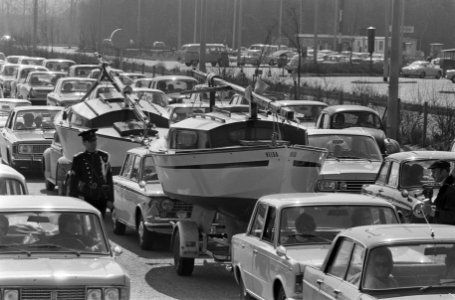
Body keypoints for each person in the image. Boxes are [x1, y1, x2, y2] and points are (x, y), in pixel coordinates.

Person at [68, 129, 113, 217]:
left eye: (94, 140)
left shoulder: (103, 157)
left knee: (99, 222)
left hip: (101, 197)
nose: (93, 143)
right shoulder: (79, 159)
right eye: (90, 141)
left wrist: (110, 199)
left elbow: (109, 179)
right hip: (86, 197)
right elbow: (74, 181)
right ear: (84, 143)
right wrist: (73, 199)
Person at [429, 160, 455, 224]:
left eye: (434, 172)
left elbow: (452, 215)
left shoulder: (451, 188)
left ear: (443, 171)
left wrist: (433, 212)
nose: (432, 175)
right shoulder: (446, 184)